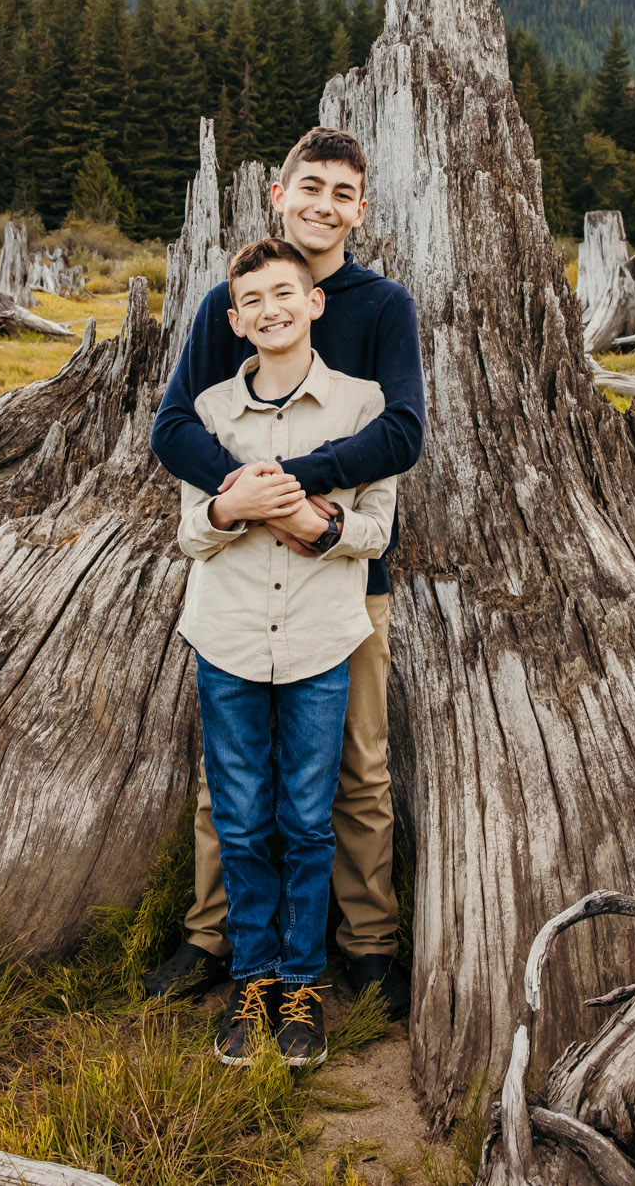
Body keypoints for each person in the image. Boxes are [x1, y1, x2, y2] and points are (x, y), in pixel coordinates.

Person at [148, 126, 424, 1020]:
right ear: (279, 191)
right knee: (225, 781)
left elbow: (400, 434)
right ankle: (214, 935)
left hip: (345, 577)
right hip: (240, 574)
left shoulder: (382, 306)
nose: (323, 205)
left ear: (360, 209)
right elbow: (176, 425)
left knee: (358, 770)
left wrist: (294, 486)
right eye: (310, 186)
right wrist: (243, 492)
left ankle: (366, 943)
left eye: (342, 193)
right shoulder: (224, 300)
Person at [176, 236, 400, 1068]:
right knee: (239, 817)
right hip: (227, 635)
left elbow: (380, 524)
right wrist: (233, 509)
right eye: (254, 302)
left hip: (320, 638)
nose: (271, 310)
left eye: (286, 294)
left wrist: (321, 524)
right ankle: (252, 977)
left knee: (307, 820)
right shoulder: (208, 416)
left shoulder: (363, 406)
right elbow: (188, 530)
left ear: (315, 304)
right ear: (235, 321)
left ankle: (304, 979)